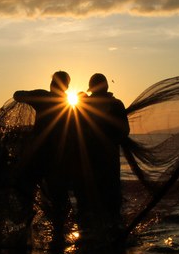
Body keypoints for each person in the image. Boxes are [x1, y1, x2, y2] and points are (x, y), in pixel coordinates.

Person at [13, 71, 75, 243]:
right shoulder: (68, 104)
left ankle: (27, 221)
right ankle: (58, 233)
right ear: (66, 86)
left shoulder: (43, 97)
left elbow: (17, 96)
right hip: (57, 155)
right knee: (58, 195)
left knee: (25, 184)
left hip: (40, 153)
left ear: (53, 84)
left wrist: (29, 95)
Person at [79, 73, 129, 238]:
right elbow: (124, 131)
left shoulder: (88, 104)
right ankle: (108, 232)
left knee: (96, 196)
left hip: (96, 158)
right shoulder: (115, 104)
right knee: (107, 195)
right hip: (100, 157)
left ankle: (95, 234)